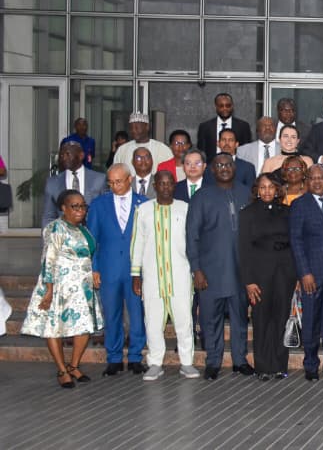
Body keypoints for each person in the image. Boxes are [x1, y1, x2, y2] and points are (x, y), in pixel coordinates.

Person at [21, 190, 104, 387]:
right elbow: (48, 260)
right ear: (63, 208)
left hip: (82, 288)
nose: (80, 210)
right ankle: (61, 370)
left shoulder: (82, 228)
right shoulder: (55, 228)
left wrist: (93, 272)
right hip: (59, 287)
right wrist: (48, 290)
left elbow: (87, 255)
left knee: (84, 326)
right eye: (75, 206)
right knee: (54, 328)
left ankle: (73, 366)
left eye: (83, 206)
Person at [186, 153, 254, 380]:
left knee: (239, 318)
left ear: (235, 167)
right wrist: (196, 269)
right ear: (212, 170)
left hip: (240, 270)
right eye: (219, 165)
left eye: (228, 164)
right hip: (210, 271)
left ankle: (240, 360)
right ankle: (213, 361)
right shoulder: (202, 197)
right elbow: (192, 236)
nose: (224, 168)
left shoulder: (246, 193)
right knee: (210, 319)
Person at [130, 170, 199, 381]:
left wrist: (196, 270)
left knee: (184, 320)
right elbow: (137, 242)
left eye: (170, 183)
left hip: (180, 276)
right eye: (162, 183)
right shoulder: (143, 210)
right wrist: (135, 274)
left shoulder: (185, 208)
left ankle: (186, 362)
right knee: (153, 321)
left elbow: (193, 241)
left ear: (174, 185)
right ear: (155, 186)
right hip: (152, 277)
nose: (166, 187)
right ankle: (155, 363)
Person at [87, 164, 148, 376]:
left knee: (137, 314)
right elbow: (92, 240)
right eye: (111, 183)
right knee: (111, 314)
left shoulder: (144, 203)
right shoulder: (99, 204)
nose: (115, 186)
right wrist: (94, 268)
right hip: (109, 268)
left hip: (136, 270)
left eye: (119, 181)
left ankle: (135, 357)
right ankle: (113, 358)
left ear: (129, 179)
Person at [289, 165, 323, 381]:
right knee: (311, 320)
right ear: (307, 181)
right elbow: (296, 241)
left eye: (321, 177)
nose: (318, 181)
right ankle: (311, 364)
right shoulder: (299, 205)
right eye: (313, 178)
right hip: (312, 274)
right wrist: (304, 273)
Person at [238, 173, 295, 381]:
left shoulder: (287, 211)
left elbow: (294, 242)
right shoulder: (247, 213)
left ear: (278, 189)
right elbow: (243, 249)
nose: (267, 191)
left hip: (285, 271)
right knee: (261, 318)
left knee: (281, 317)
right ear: (257, 190)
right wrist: (248, 280)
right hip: (260, 272)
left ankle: (279, 365)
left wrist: (296, 273)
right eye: (263, 187)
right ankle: (262, 366)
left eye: (271, 187)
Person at [43, 142, 106, 227]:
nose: (64, 158)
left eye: (68, 154)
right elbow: (48, 216)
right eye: (62, 155)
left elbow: (105, 213)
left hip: (92, 233)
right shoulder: (52, 183)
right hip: (64, 234)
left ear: (81, 156)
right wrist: (48, 234)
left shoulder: (99, 180)